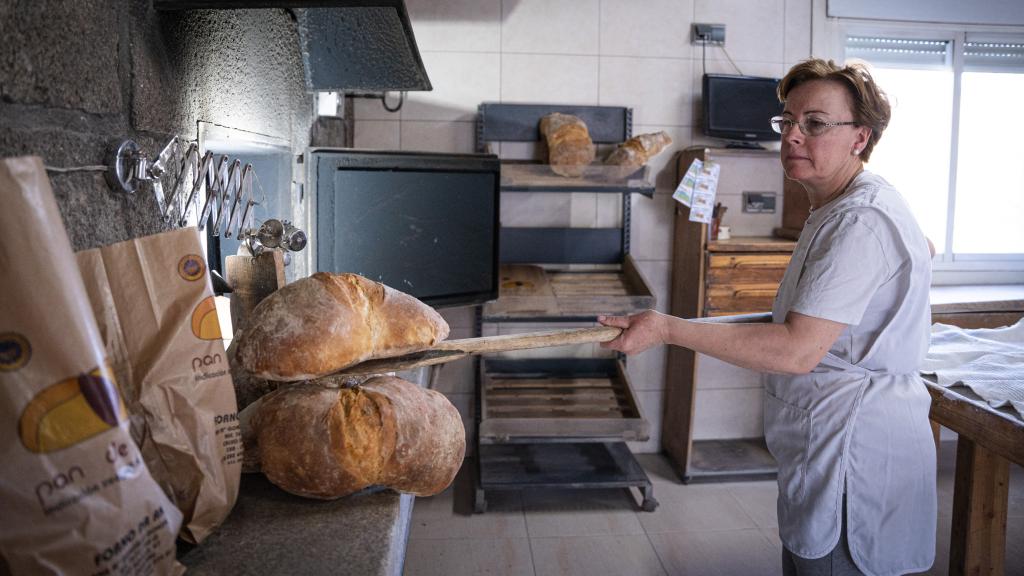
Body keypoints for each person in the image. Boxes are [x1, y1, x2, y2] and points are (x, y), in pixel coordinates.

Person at [600, 58, 936, 576]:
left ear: (860, 137)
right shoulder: (835, 208)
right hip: (826, 447)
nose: (793, 136)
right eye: (788, 122)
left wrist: (668, 329)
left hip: (856, 460)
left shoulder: (861, 221)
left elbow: (795, 350)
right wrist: (665, 325)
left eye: (816, 124)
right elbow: (786, 326)